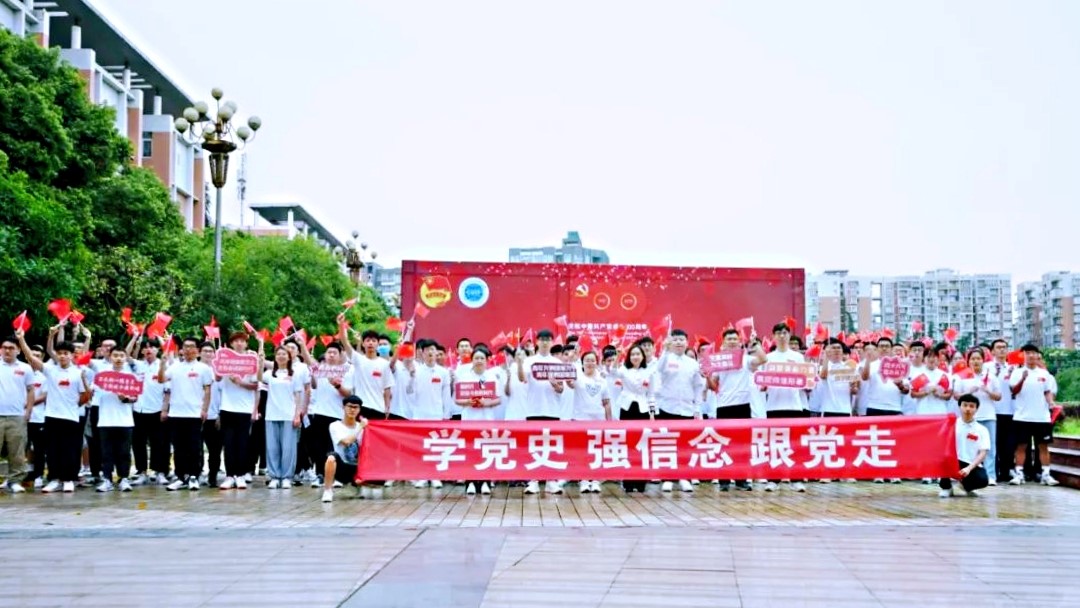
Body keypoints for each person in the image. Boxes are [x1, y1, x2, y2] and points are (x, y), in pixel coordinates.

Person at [17, 327, 89, 493]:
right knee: (52, 450)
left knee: (70, 450)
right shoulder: (50, 370)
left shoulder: (78, 373)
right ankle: (54, 479)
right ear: (56, 354)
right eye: (60, 353)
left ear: (72, 355)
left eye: (66, 353)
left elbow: (85, 396)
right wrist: (21, 338)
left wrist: (72, 406)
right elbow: (30, 358)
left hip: (71, 418)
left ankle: (68, 479)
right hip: (51, 417)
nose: (63, 356)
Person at [708, 329, 766, 490]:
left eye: (735, 339)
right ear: (723, 342)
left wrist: (755, 344)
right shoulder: (718, 361)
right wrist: (706, 376)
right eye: (729, 339)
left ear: (740, 342)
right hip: (723, 406)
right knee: (724, 444)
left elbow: (763, 359)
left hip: (743, 405)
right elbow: (713, 385)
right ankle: (724, 480)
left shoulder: (746, 359)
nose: (732, 341)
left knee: (742, 444)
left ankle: (741, 479)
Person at [159, 337, 214, 492]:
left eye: (191, 346)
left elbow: (207, 390)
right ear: (181, 349)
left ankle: (194, 476)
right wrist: (162, 364)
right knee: (179, 447)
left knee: (194, 447)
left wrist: (204, 409)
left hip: (195, 413)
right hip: (176, 413)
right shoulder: (175, 367)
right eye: (185, 347)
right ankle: (180, 477)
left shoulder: (203, 368)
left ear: (197, 350)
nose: (188, 349)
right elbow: (161, 379)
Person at [654, 329, 705, 493]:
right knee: (667, 444)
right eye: (675, 339)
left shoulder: (693, 363)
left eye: (681, 339)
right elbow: (659, 369)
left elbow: (698, 386)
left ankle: (684, 478)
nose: (678, 342)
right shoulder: (666, 359)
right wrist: (665, 349)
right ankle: (667, 478)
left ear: (687, 342)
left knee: (685, 446)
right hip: (667, 408)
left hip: (687, 409)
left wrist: (697, 407)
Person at [299, 339, 352, 488]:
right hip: (320, 414)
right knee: (318, 447)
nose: (331, 355)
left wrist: (338, 385)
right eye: (329, 352)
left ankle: (337, 476)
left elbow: (349, 394)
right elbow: (308, 360)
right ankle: (320, 475)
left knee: (334, 447)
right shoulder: (320, 369)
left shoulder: (346, 371)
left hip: (337, 415)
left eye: (335, 352)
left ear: (340, 355)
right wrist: (302, 345)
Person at [518, 329, 566, 495]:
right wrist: (519, 363)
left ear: (552, 342)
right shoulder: (530, 361)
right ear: (537, 342)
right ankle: (533, 481)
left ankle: (551, 481)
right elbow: (522, 378)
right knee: (535, 444)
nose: (545, 342)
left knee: (550, 444)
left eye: (548, 339)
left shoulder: (557, 362)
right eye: (542, 339)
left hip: (552, 410)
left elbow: (561, 389)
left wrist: (554, 384)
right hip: (533, 409)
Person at [763, 323, 808, 493]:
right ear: (773, 336)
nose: (782, 336)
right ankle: (773, 479)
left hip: (794, 405)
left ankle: (796, 479)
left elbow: (806, 380)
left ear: (789, 335)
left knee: (794, 444)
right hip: (773, 406)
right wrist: (763, 385)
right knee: (774, 443)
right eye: (778, 333)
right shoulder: (768, 358)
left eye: (784, 333)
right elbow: (762, 382)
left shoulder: (798, 357)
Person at [454, 346, 504, 495]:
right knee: (470, 451)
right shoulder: (465, 377)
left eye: (482, 358)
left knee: (485, 450)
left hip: (486, 419)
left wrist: (486, 403)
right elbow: (457, 400)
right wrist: (467, 402)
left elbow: (498, 399)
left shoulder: (492, 377)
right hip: (469, 419)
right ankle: (470, 482)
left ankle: (485, 482)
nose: (479, 361)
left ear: (487, 360)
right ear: (472, 360)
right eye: (476, 358)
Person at [1008, 344, 1059, 486]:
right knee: (1021, 447)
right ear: (1023, 355)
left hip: (1041, 417)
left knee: (1043, 447)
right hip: (1022, 417)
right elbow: (1014, 391)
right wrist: (1023, 379)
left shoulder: (1044, 374)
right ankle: (1019, 474)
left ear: (1037, 356)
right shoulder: (1017, 372)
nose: (1031, 355)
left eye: (1033, 353)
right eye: (1028, 353)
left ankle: (1046, 475)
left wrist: (1051, 403)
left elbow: (1047, 391)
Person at [860, 336, 908, 483]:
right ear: (877, 349)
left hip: (894, 407)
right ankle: (878, 472)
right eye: (881, 346)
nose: (884, 348)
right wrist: (867, 360)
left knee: (893, 440)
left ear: (892, 348)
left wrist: (900, 385)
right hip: (875, 406)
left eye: (887, 346)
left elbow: (906, 390)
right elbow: (864, 377)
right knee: (875, 441)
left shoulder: (900, 365)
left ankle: (893, 473)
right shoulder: (873, 365)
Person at [406, 339, 452, 489]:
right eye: (427, 350)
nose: (431, 352)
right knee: (422, 446)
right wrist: (411, 377)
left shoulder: (443, 372)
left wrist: (446, 415)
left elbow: (446, 395)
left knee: (436, 445)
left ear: (437, 352)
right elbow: (409, 391)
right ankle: (422, 476)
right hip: (420, 415)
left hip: (436, 414)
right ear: (422, 353)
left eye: (433, 349)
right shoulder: (417, 370)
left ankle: (435, 476)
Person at [216, 332, 260, 490]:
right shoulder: (225, 359)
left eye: (242, 341)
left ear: (246, 344)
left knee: (242, 442)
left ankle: (240, 475)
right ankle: (229, 475)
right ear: (231, 344)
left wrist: (240, 382)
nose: (239, 343)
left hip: (244, 408)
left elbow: (256, 385)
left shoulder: (251, 361)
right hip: (227, 407)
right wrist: (220, 365)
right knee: (228, 443)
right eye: (236, 341)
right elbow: (217, 378)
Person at [953, 348, 1002, 486]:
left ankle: (990, 475)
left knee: (989, 447)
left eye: (978, 358)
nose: (976, 361)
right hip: (968, 418)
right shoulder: (962, 376)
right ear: (968, 361)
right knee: (966, 447)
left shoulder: (991, 377)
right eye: (973, 359)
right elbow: (956, 396)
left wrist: (988, 391)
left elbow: (999, 396)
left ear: (983, 360)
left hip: (988, 416)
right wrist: (969, 391)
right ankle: (964, 473)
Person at [258, 344, 304, 489]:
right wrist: (260, 362)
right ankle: (274, 476)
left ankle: (286, 477)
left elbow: (298, 396)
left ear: (289, 357)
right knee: (272, 447)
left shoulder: (294, 374)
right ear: (275, 357)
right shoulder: (270, 373)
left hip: (288, 415)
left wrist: (297, 415)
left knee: (288, 448)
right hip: (272, 415)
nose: (281, 356)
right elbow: (259, 378)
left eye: (284, 354)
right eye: (278, 354)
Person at [611, 344, 655, 493]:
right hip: (627, 408)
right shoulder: (624, 370)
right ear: (629, 357)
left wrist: (652, 412)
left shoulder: (648, 371)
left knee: (642, 444)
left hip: (643, 408)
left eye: (638, 354)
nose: (635, 357)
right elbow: (613, 371)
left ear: (643, 356)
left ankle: (641, 481)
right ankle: (628, 480)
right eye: (632, 354)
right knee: (628, 444)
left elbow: (651, 394)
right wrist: (617, 356)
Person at [568, 350, 611, 494]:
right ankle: (584, 480)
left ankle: (596, 480)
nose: (590, 363)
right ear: (582, 363)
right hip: (580, 419)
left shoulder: (602, 381)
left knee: (597, 451)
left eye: (593, 360)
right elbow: (569, 382)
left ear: (597, 363)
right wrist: (571, 359)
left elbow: (606, 402)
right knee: (582, 452)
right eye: (587, 360)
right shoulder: (578, 377)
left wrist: (609, 421)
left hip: (598, 420)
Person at [129, 338, 170, 486]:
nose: (148, 349)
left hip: (157, 410)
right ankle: (141, 472)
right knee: (138, 443)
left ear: (157, 350)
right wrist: (135, 338)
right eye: (145, 347)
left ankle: (160, 472)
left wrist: (164, 409)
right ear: (141, 351)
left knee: (159, 443)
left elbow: (167, 390)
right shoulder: (137, 366)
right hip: (138, 409)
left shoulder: (164, 365)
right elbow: (126, 355)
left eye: (152, 347)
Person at [95, 348, 136, 492]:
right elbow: (92, 391)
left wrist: (125, 398)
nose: (118, 358)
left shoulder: (130, 376)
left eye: (121, 356)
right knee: (106, 453)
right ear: (110, 357)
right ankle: (107, 479)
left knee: (124, 452)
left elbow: (135, 398)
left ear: (125, 358)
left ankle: (124, 478)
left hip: (125, 421)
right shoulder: (102, 375)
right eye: (115, 355)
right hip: (105, 420)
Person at [0, 335, 34, 493]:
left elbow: (31, 390)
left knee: (17, 451)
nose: (7, 351)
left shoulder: (25, 368)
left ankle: (15, 481)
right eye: (4, 348)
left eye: (11, 348)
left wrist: (28, 411)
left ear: (18, 350)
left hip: (17, 416)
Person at [939, 394, 991, 498]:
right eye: (965, 405)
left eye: (972, 406)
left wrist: (969, 468)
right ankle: (946, 487)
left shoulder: (982, 430)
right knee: (942, 460)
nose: (968, 409)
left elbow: (983, 452)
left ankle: (966, 487)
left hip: (970, 463)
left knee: (983, 480)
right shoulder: (950, 425)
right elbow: (941, 443)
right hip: (952, 460)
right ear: (960, 407)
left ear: (976, 409)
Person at [321, 395, 368, 503]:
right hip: (341, 467)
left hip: (358, 468)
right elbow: (346, 442)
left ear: (359, 409)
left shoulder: (363, 427)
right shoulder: (335, 426)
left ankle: (359, 486)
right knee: (331, 458)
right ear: (343, 407)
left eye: (356, 407)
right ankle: (328, 491)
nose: (352, 410)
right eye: (350, 406)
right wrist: (360, 427)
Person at [988, 339, 1015, 482]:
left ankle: (1006, 471)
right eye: (998, 347)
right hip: (992, 411)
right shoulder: (987, 368)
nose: (1002, 350)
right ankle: (994, 472)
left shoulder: (1013, 368)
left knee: (1008, 445)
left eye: (1004, 347)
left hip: (1010, 411)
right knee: (994, 444)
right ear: (992, 351)